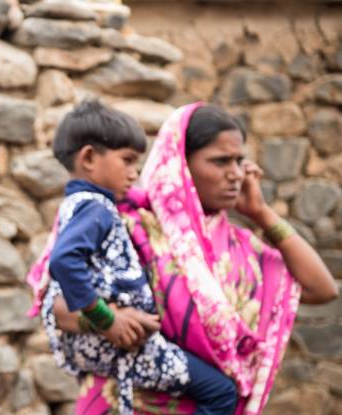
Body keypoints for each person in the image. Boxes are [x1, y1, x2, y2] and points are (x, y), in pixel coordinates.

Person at [29, 102, 338, 414]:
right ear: (181, 165)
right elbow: (57, 306)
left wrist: (261, 212)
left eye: (239, 161)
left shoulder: (240, 249)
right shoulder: (131, 223)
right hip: (126, 402)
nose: (234, 174)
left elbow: (322, 289)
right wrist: (109, 320)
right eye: (220, 162)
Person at [33, 100, 238, 414]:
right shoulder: (96, 208)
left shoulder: (80, 205)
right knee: (221, 392)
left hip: (118, 345)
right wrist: (106, 319)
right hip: (124, 339)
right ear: (88, 157)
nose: (135, 172)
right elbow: (63, 262)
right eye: (127, 160)